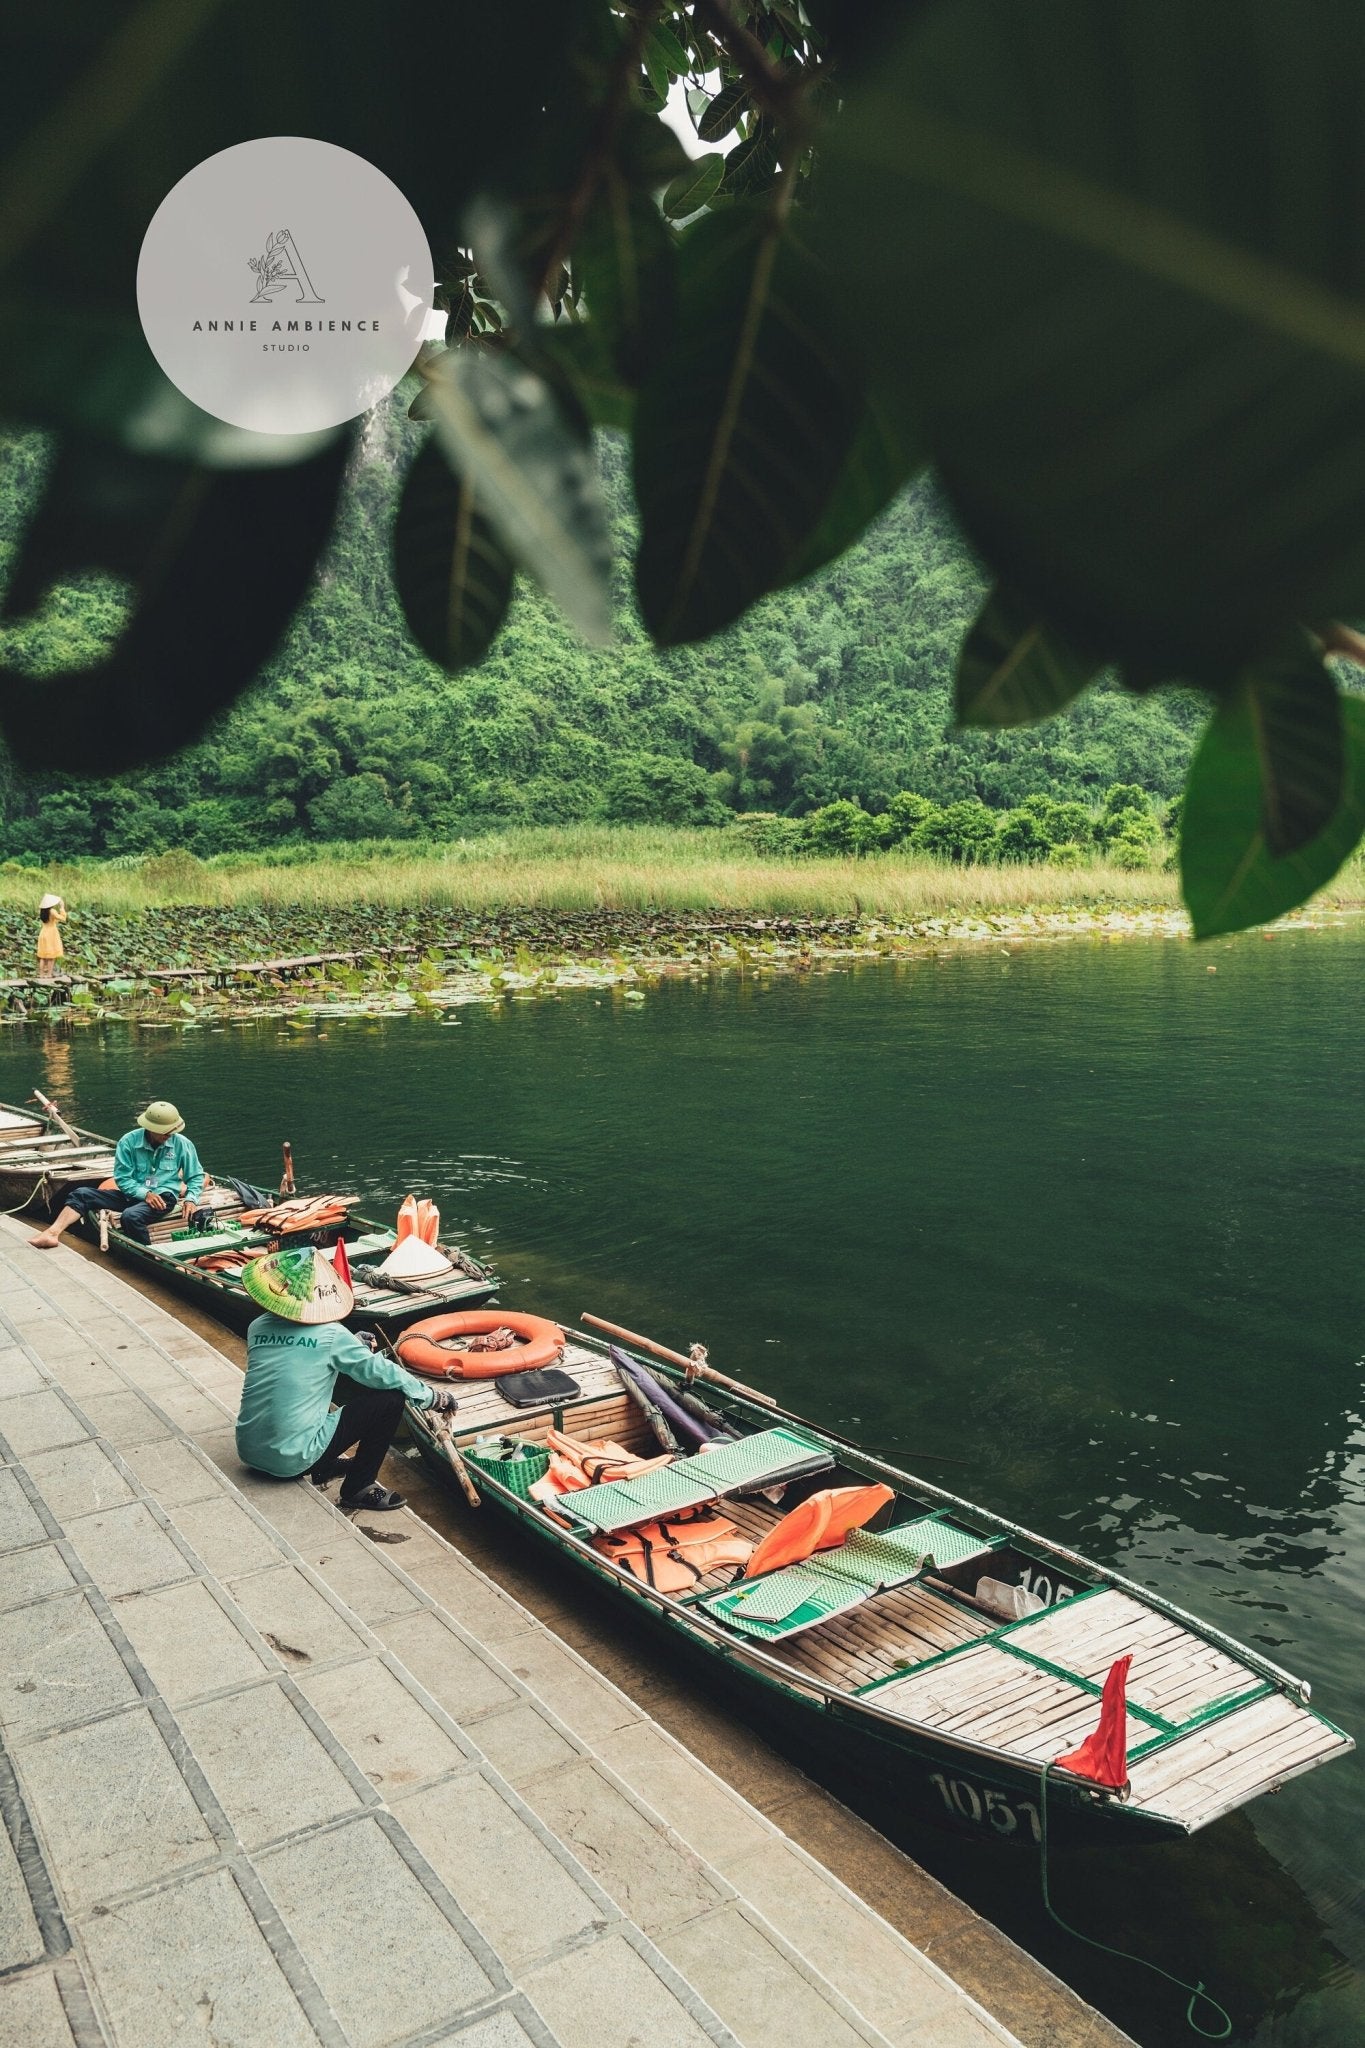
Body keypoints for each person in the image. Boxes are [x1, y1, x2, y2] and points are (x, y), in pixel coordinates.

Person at [235, 1243, 456, 1512]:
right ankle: (358, 1488)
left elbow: (297, 1357)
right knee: (391, 1398)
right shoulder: (331, 1336)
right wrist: (432, 1396)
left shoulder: (257, 1327)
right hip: (290, 1462)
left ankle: (324, 1463)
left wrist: (350, 1343)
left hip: (249, 1450)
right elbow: (380, 1373)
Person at [30, 1099, 204, 1249]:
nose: (169, 1134)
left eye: (172, 1130)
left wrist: (191, 1198)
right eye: (165, 1131)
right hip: (132, 1195)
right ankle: (52, 1234)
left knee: (131, 1217)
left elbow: (195, 1176)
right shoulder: (129, 1142)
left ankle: (148, 1254)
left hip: (162, 1198)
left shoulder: (183, 1144)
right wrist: (145, 1194)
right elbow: (122, 1178)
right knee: (81, 1194)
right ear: (151, 1128)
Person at [36, 893, 66, 981]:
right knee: (51, 955)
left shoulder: (42, 911)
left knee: (43, 955)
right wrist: (62, 908)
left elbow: (52, 920)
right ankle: (48, 974)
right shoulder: (52, 911)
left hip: (43, 932)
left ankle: (41, 974)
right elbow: (62, 918)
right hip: (51, 933)